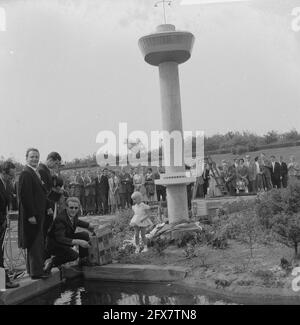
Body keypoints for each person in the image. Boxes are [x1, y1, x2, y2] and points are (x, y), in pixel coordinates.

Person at [18, 148, 49, 279]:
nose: (35, 159)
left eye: (36, 157)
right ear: (26, 158)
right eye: (32, 157)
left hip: (39, 213)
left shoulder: (34, 172)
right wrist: (30, 215)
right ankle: (37, 272)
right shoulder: (26, 173)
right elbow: (25, 196)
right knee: (35, 242)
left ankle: (33, 270)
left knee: (36, 242)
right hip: (33, 215)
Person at [44, 197, 95, 272]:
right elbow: (60, 238)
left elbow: (77, 221)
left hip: (65, 238)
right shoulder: (60, 219)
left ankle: (83, 260)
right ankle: (51, 261)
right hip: (55, 244)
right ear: (66, 207)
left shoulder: (73, 215)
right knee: (74, 255)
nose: (73, 210)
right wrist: (79, 242)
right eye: (71, 207)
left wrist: (89, 225)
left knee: (84, 235)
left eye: (76, 208)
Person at [0, 161, 20, 289]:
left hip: (2, 222)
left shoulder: (6, 184)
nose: (11, 179)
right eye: (9, 176)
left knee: (0, 253)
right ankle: (3, 282)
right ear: (3, 172)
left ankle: (3, 282)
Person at [37, 151, 62, 239]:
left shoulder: (46, 170)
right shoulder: (42, 170)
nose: (56, 166)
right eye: (56, 163)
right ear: (50, 160)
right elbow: (45, 191)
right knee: (45, 230)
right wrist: (48, 206)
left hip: (49, 204)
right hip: (46, 206)